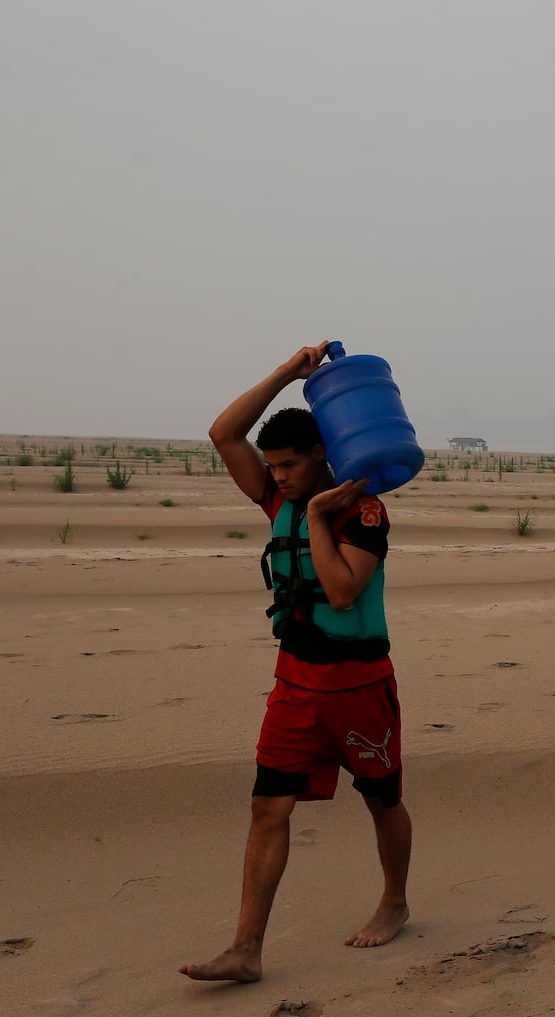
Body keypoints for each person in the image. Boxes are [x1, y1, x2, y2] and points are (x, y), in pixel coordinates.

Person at [182, 342, 411, 984]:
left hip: (360, 687)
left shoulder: (365, 512)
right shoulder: (275, 499)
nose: (276, 476)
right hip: (294, 686)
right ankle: (246, 948)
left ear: (321, 456)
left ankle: (394, 900)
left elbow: (341, 591)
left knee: (383, 800)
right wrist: (288, 373)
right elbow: (224, 432)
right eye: (272, 467)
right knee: (267, 808)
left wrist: (315, 514)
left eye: (288, 465)